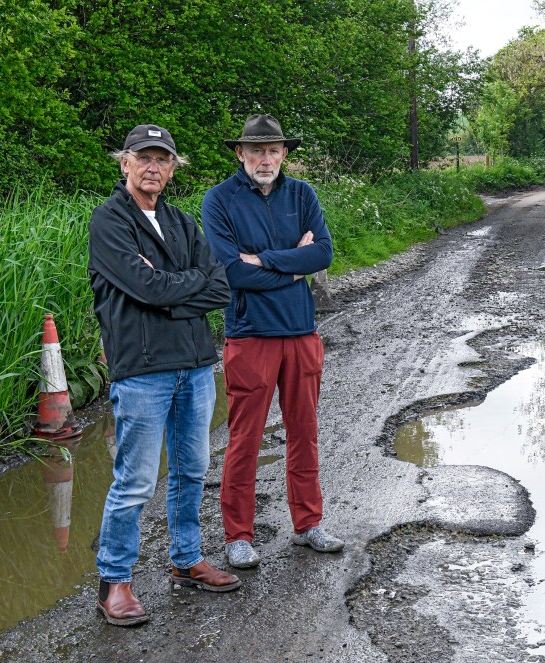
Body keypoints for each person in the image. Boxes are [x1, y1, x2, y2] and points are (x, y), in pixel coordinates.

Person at [88, 124, 241, 627]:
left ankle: (186, 559)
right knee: (134, 483)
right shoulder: (108, 221)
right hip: (143, 372)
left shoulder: (181, 221)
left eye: (163, 159)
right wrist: (176, 292)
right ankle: (115, 582)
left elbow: (218, 287)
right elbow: (145, 287)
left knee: (192, 469)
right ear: (124, 163)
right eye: (143, 158)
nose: (153, 167)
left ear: (173, 169)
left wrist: (167, 294)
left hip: (195, 366)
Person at [202, 113, 343, 570]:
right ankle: (238, 535)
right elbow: (230, 272)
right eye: (256, 150)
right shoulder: (219, 201)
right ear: (239, 153)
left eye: (274, 150)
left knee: (304, 432)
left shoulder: (302, 194)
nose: (266, 158)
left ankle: (308, 524)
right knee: (245, 438)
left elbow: (322, 251)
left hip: (302, 333)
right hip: (250, 337)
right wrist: (294, 266)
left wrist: (262, 260)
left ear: (285, 154)